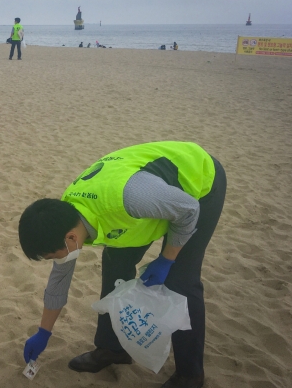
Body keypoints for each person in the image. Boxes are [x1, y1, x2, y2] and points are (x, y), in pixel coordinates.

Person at [19, 141, 226, 388]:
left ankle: (190, 374)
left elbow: (188, 210)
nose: (57, 262)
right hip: (146, 205)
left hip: (199, 185)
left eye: (54, 256)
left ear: (71, 238)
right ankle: (112, 349)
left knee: (180, 280)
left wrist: (167, 259)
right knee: (115, 265)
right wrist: (44, 332)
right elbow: (59, 281)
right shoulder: (66, 217)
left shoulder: (129, 199)